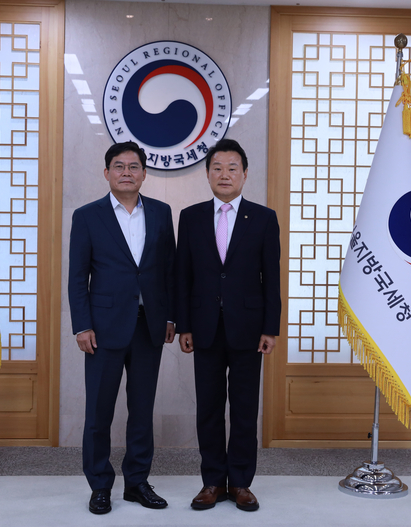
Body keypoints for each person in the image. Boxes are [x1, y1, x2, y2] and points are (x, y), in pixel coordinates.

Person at [68, 141, 176, 515]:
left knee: (142, 410)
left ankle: (137, 482)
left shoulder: (161, 213)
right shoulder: (87, 216)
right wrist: (82, 325)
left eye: (133, 166)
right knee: (99, 413)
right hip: (103, 329)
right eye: (119, 166)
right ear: (107, 173)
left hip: (149, 326)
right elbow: (78, 276)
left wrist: (171, 317)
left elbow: (169, 269)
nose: (126, 172)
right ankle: (100, 485)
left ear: (144, 173)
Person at [176, 138, 281, 512]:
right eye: (217, 168)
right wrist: (184, 325)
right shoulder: (190, 217)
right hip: (203, 326)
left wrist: (270, 328)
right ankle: (212, 481)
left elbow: (272, 278)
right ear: (207, 174)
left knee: (244, 408)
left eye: (232, 168)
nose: (224, 174)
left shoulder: (264, 218)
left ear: (245, 174)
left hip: (249, 329)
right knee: (208, 407)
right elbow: (183, 275)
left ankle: (240, 483)